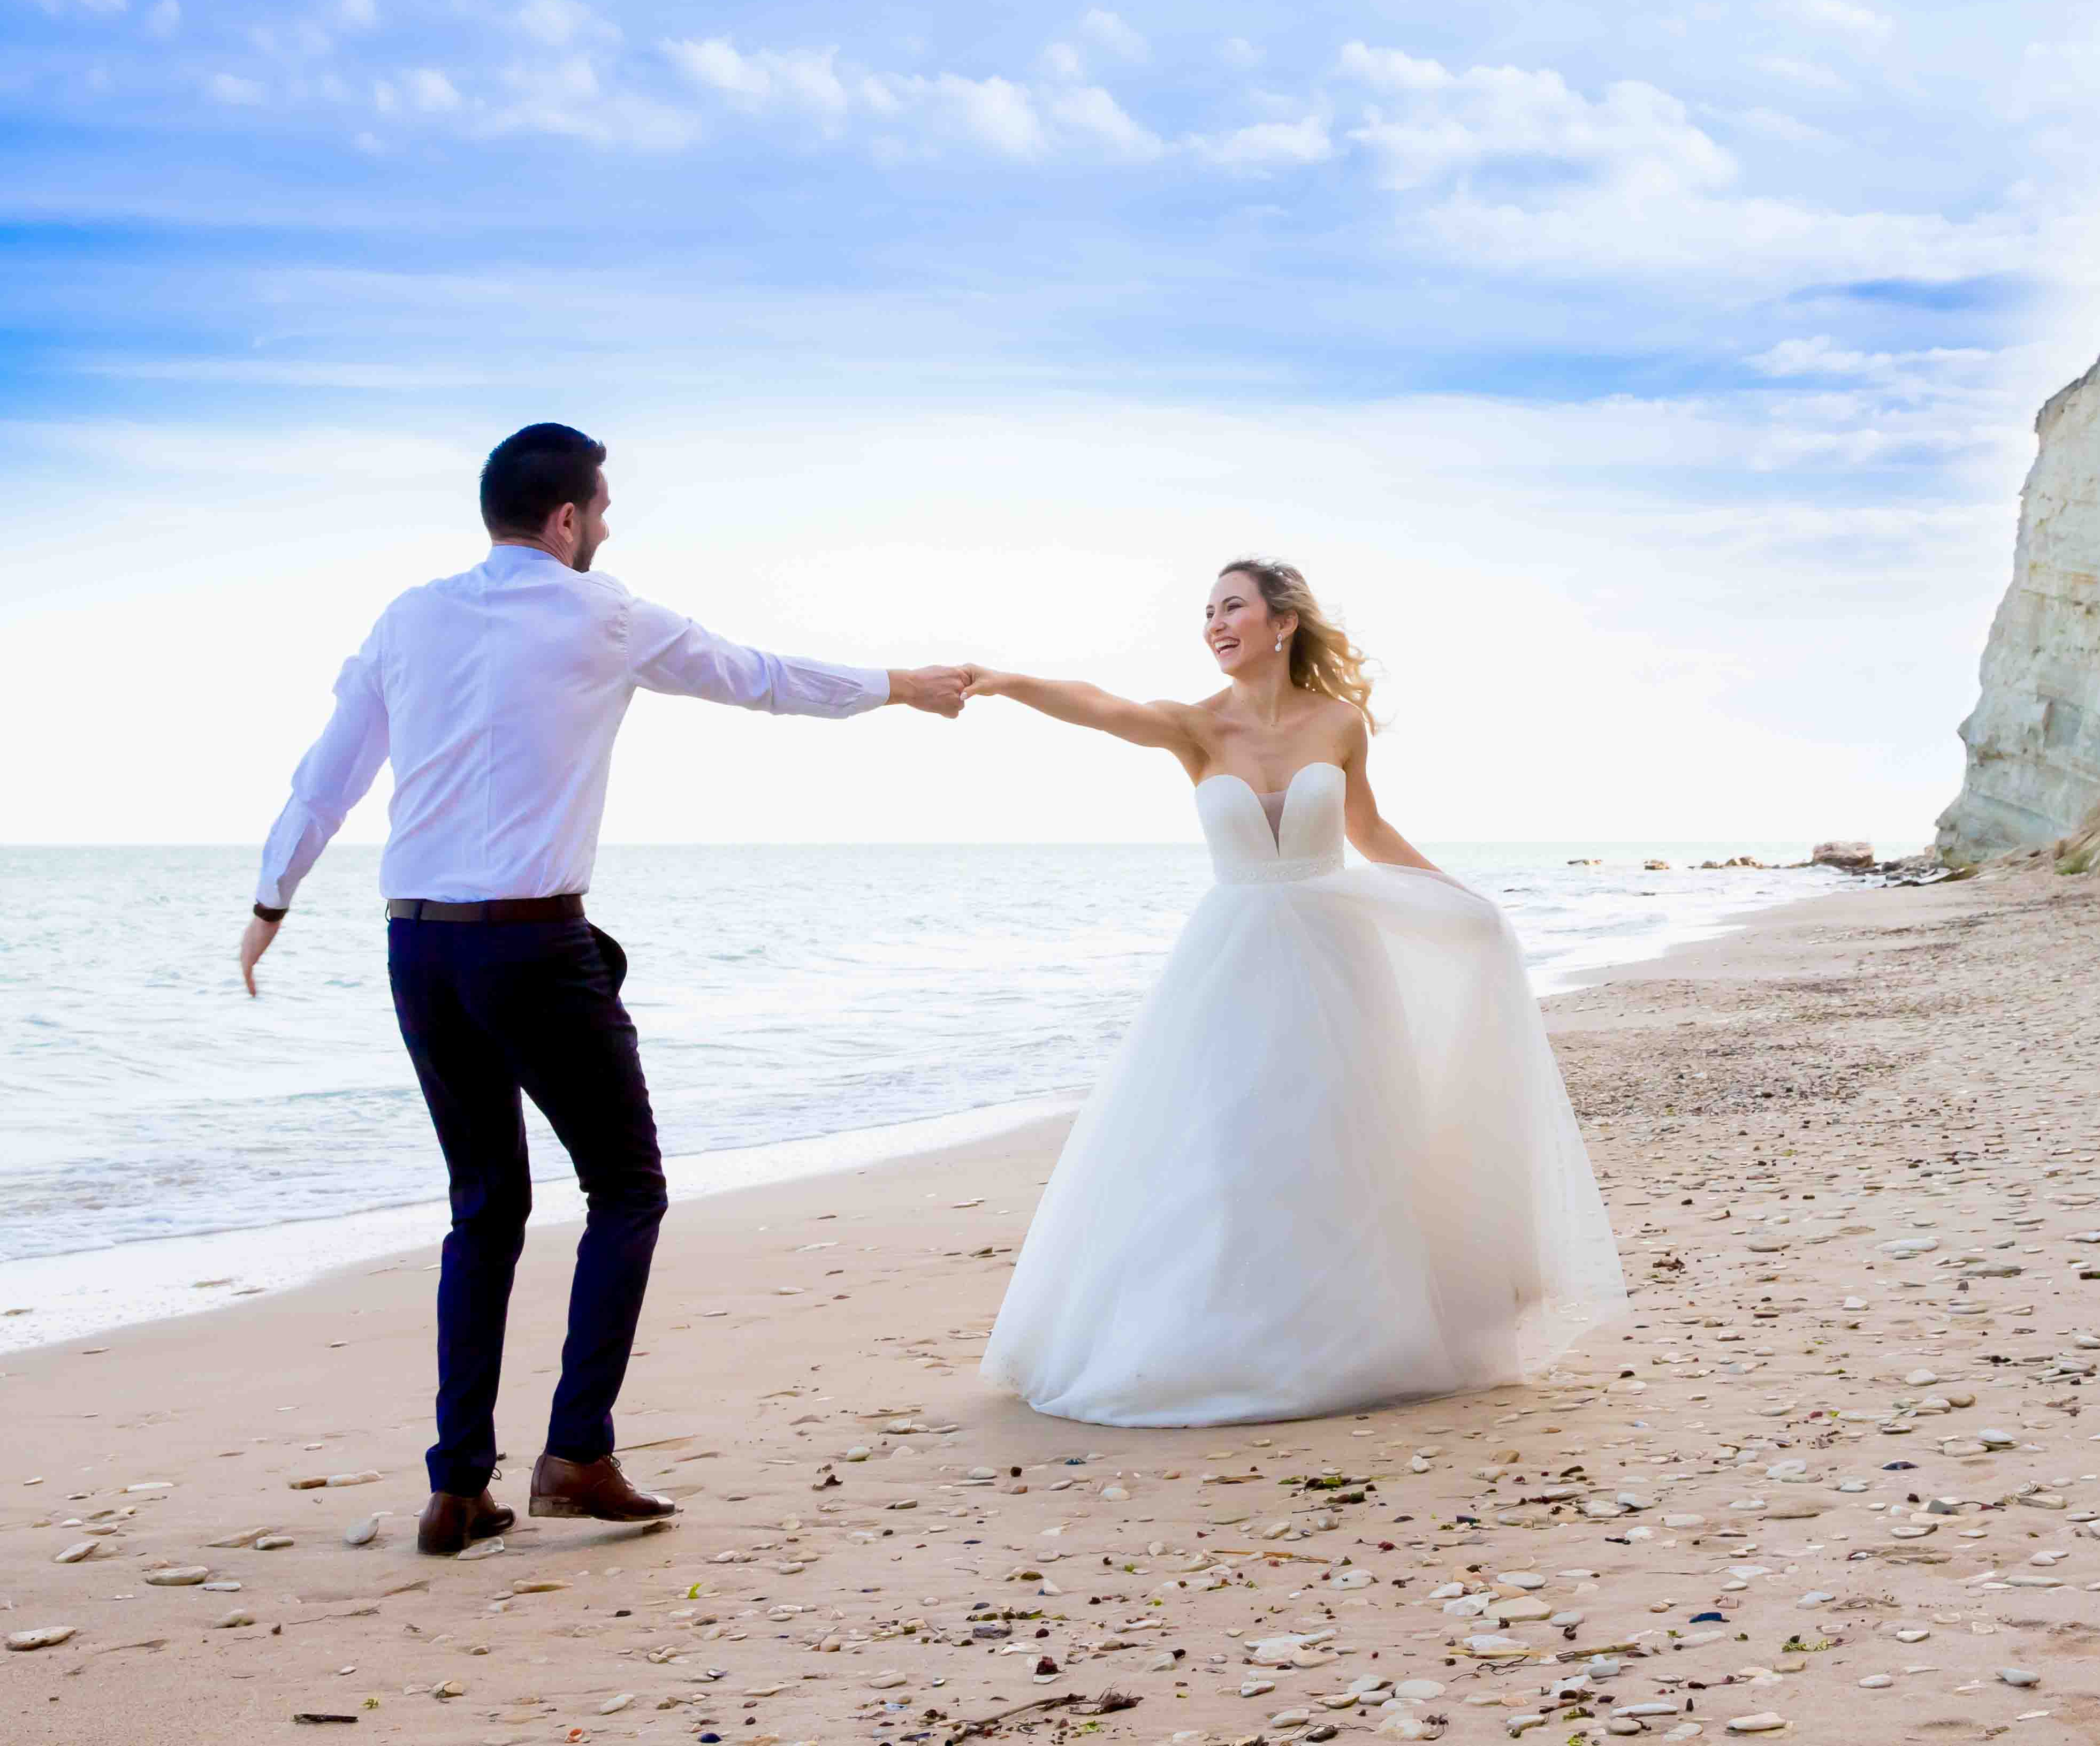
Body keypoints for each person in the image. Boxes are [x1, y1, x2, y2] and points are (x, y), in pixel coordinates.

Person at [238, 423, 971, 1556]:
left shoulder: (407, 617)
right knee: (625, 1187)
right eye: (604, 509)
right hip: (534, 948)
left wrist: (271, 899)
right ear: (569, 517)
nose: (608, 529)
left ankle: (457, 1486)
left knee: (484, 1206)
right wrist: (900, 686)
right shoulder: (606, 612)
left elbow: (328, 774)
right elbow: (759, 678)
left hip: (418, 947)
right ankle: (576, 1451)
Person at [966, 558, 1624, 1425]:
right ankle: (1216, 1338)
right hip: (1230, 965)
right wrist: (1008, 681)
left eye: (1231, 607)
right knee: (1231, 1145)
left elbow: (1368, 828)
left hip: (1336, 960)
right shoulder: (1193, 728)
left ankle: (1350, 1339)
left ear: (1282, 623)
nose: (1214, 624)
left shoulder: (1339, 723)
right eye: (1206, 613)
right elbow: (1098, 704)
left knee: (1342, 1142)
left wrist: (1460, 899)